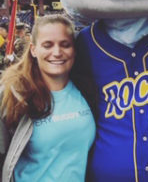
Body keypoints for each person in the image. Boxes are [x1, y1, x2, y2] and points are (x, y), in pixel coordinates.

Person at [0, 14, 96, 182]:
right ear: (33, 50)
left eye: (65, 45)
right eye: (47, 45)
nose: (57, 52)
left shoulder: (88, 91)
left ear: (74, 49)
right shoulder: (13, 95)